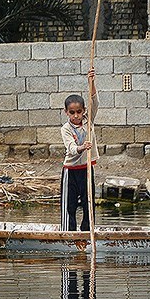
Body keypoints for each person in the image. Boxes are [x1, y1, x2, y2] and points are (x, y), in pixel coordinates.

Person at [60, 68, 99, 232]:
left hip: (86, 168)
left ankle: (87, 231)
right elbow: (71, 148)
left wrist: (91, 82)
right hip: (71, 170)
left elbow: (94, 101)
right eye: (72, 113)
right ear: (66, 112)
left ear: (83, 111)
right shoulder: (66, 129)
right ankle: (68, 232)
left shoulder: (88, 121)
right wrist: (82, 147)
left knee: (88, 202)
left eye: (79, 112)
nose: (76, 116)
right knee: (69, 205)